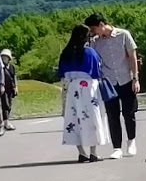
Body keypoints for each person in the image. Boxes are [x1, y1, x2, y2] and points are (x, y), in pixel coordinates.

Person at [85, 13, 139, 159]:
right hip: (108, 83)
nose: (93, 32)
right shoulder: (95, 42)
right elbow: (93, 61)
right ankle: (117, 147)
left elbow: (132, 57)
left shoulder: (123, 35)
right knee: (112, 115)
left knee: (129, 113)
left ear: (101, 25)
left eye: (93, 29)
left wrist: (135, 78)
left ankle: (131, 140)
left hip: (126, 78)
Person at [56, 24, 111, 163]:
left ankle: (81, 152)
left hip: (70, 87)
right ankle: (93, 152)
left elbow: (60, 72)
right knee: (92, 118)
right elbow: (97, 71)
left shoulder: (66, 53)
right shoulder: (90, 53)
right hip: (88, 87)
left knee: (73, 118)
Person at [0, 49, 18, 125]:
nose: (4, 58)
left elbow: (14, 77)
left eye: (5, 57)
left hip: (10, 88)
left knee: (9, 104)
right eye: (2, 57)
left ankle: (7, 118)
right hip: (3, 88)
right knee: (5, 104)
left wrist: (16, 87)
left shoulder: (11, 67)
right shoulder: (0, 67)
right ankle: (5, 120)